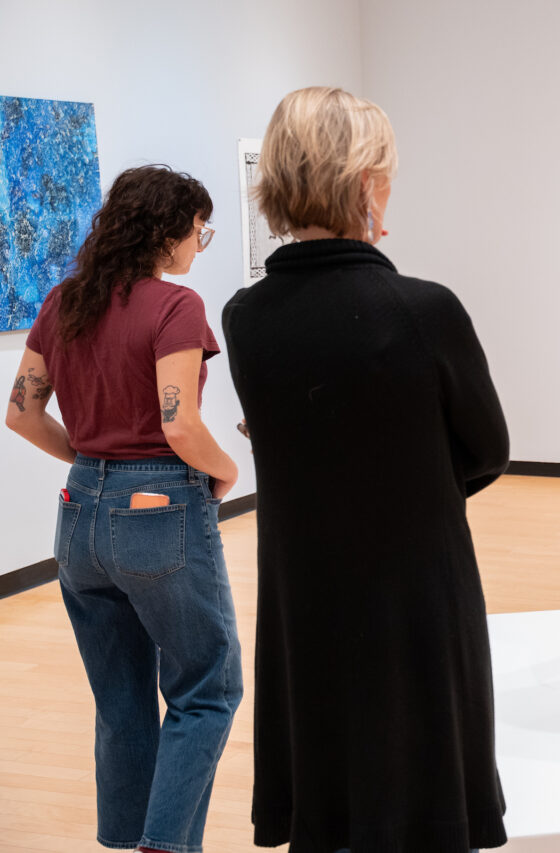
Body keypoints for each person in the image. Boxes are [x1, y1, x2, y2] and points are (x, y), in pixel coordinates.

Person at [222, 87, 509, 853]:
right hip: (413, 591)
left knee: (330, 782)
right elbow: (488, 448)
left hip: (305, 591)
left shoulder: (245, 320)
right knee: (421, 787)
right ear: (360, 183)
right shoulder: (423, 309)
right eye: (384, 171)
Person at [5, 165, 243, 853]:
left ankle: (129, 837)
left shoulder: (62, 301)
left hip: (79, 512)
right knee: (206, 688)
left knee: (121, 698)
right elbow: (180, 424)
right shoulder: (177, 306)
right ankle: (164, 845)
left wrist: (93, 454)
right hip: (160, 507)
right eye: (199, 231)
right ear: (167, 231)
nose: (200, 245)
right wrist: (226, 472)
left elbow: (20, 415)